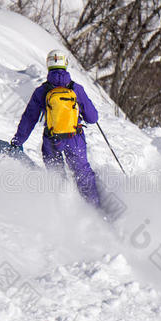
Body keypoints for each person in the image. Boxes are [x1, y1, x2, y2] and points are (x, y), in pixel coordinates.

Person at [10, 49, 101, 207]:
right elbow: (92, 118)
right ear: (65, 63)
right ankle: (96, 209)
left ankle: (63, 210)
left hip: (51, 140)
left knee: (56, 176)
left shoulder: (42, 91)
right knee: (83, 173)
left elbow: (29, 119)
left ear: (48, 64)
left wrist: (18, 140)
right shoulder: (76, 89)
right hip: (75, 138)